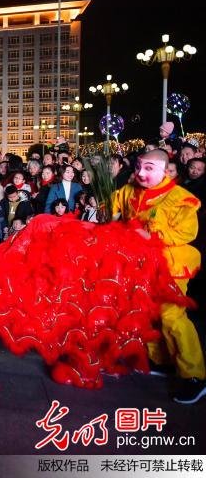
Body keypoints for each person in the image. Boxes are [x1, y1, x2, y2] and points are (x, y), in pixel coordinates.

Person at [112, 149, 205, 404]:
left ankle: (194, 375)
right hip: (142, 264)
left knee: (171, 317)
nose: (141, 173)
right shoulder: (131, 190)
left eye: (149, 168)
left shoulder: (180, 198)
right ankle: (160, 360)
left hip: (170, 265)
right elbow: (113, 204)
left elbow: (187, 233)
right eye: (139, 167)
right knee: (149, 313)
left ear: (165, 171)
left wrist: (151, 236)